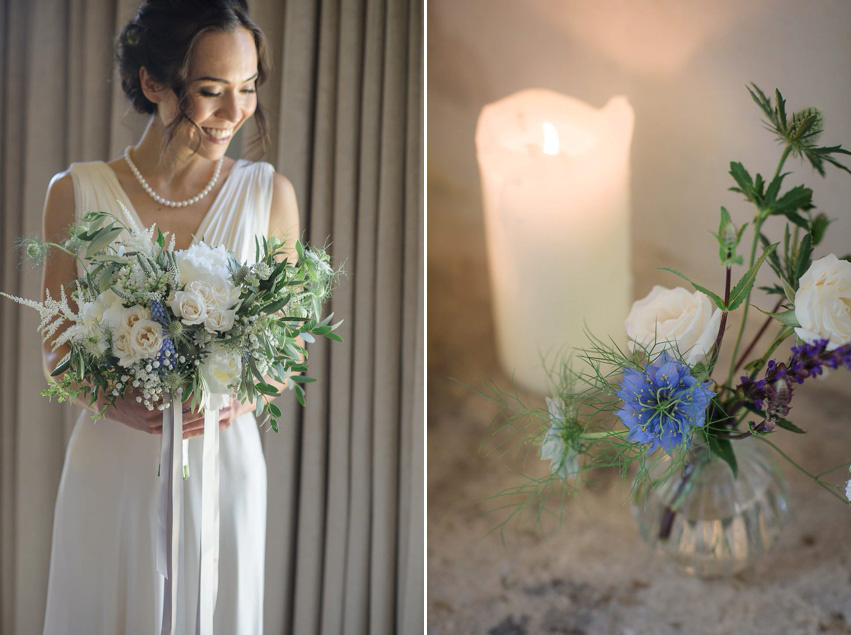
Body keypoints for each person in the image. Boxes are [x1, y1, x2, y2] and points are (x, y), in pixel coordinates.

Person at [39, 1, 298, 632]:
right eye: (212, 91)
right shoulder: (74, 193)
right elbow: (57, 353)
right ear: (154, 82)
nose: (235, 113)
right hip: (114, 459)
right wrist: (121, 405)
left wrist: (243, 389)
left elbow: (288, 353)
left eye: (248, 88)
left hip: (222, 464)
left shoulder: (270, 196)